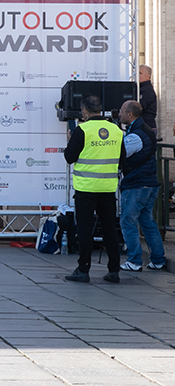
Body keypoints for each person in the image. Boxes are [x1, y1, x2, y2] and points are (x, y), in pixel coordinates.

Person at [63, 94, 126, 283]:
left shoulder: (83, 129)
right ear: (101, 110)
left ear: (84, 110)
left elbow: (69, 157)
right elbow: (122, 160)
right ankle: (114, 271)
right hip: (107, 188)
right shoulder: (115, 130)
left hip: (86, 188)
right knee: (109, 229)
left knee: (84, 228)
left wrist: (70, 140)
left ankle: (83, 270)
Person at [117, 100, 167, 271]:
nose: (119, 114)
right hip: (149, 183)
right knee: (147, 221)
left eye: (122, 111)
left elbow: (120, 154)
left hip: (137, 185)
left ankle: (134, 261)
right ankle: (158, 260)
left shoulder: (135, 136)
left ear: (130, 114)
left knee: (128, 222)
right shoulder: (143, 130)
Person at [137, 64, 157, 135]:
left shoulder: (147, 90)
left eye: (140, 73)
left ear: (148, 76)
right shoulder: (141, 88)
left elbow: (140, 107)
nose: (137, 75)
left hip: (147, 126)